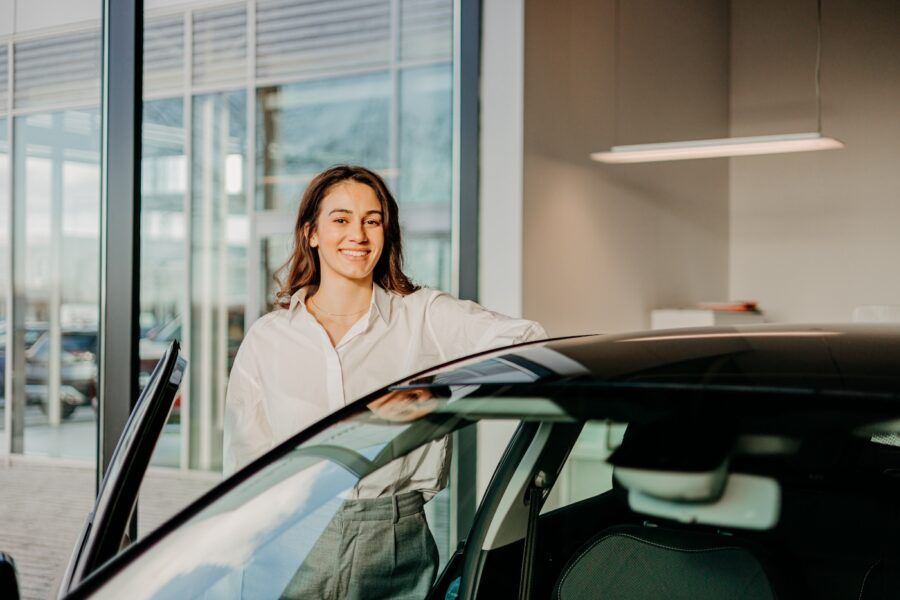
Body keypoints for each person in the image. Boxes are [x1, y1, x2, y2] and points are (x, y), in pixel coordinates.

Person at [223, 164, 546, 598]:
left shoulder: (423, 316)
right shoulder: (268, 338)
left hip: (392, 538)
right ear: (311, 233)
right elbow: (244, 469)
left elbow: (530, 342)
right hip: (288, 537)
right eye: (341, 219)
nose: (357, 234)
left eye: (371, 221)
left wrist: (442, 395)